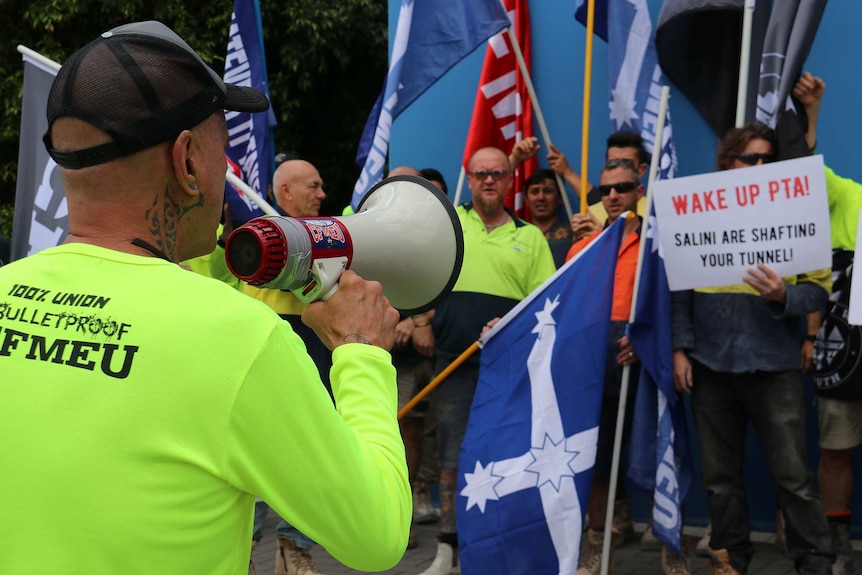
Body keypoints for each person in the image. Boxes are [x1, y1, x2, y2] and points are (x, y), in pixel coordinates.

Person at [0, 21, 410, 575]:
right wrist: (362, 351)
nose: (227, 175)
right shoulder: (238, 336)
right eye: (223, 151)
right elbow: (376, 534)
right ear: (187, 159)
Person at [672, 121, 833, 575]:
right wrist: (680, 349)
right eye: (751, 158)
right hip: (710, 366)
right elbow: (679, 290)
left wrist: (784, 296)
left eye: (767, 159)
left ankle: (815, 564)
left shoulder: (797, 214)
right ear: (728, 163)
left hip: (774, 367)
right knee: (720, 480)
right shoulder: (696, 215)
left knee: (794, 479)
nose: (760, 166)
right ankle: (729, 560)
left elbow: (818, 292)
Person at [417, 146, 556, 575]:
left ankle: (493, 548)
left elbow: (545, 304)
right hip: (453, 361)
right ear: (470, 178)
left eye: (497, 173)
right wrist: (420, 320)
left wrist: (512, 322)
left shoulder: (530, 237)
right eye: (481, 174)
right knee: (451, 456)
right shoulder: (449, 224)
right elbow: (419, 274)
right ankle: (446, 548)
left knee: (507, 457)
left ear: (510, 178)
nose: (489, 180)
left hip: (510, 368)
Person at [564, 159, 687, 574]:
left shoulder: (657, 245)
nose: (612, 196)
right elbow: (566, 312)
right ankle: (598, 549)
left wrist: (644, 340)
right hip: (595, 365)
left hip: (643, 359)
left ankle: (671, 546)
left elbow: (670, 307)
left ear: (638, 191)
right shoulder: (582, 248)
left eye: (622, 187)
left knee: (658, 448)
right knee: (596, 462)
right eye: (605, 191)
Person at [238, 155, 336, 575]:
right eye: (313, 186)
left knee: (314, 450)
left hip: (315, 343)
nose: (322, 194)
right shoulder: (255, 234)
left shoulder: (336, 235)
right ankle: (242, 550)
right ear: (285, 193)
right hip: (266, 341)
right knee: (257, 455)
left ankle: (294, 548)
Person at [792, 71, 862, 575]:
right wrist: (812, 113)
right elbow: (799, 171)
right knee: (836, 450)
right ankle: (837, 547)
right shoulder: (846, 195)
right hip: (846, 350)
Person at [523, 168, 573, 268]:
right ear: (526, 200)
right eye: (535, 191)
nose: (541, 197)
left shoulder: (574, 234)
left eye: (548, 191)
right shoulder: (517, 234)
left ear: (560, 198)